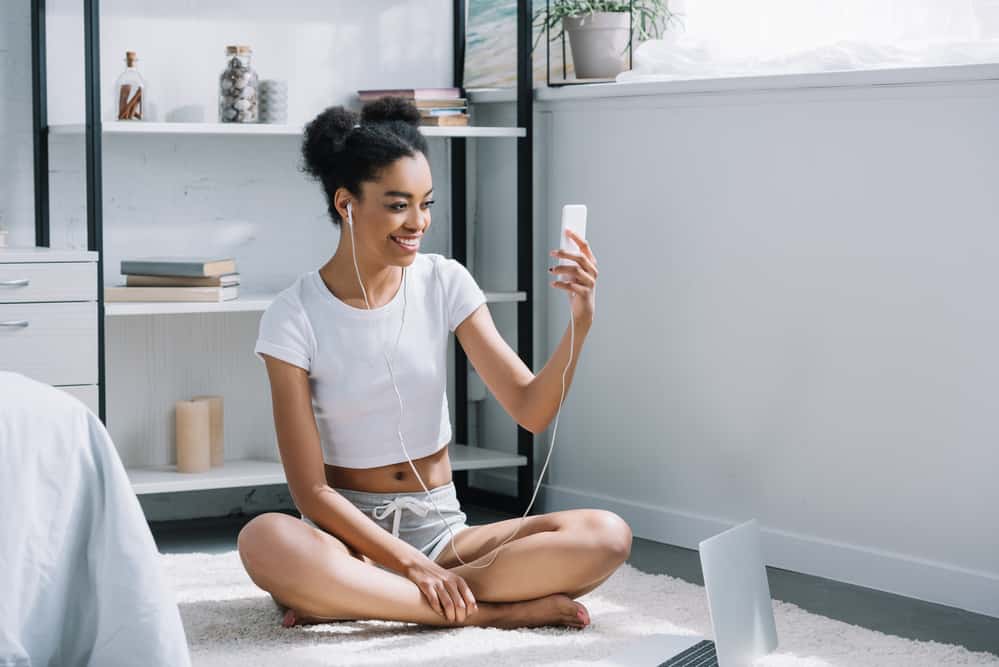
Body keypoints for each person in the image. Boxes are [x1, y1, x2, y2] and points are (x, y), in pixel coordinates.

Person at [237, 97, 631, 631]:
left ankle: (361, 600)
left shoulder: (444, 280)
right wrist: (409, 565)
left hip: (445, 535)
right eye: (398, 204)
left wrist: (581, 322)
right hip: (348, 541)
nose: (417, 222)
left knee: (607, 535)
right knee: (265, 539)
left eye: (426, 203)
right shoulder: (293, 314)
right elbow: (312, 492)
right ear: (347, 203)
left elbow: (532, 410)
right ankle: (483, 614)